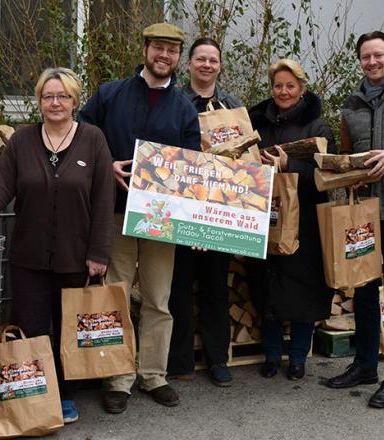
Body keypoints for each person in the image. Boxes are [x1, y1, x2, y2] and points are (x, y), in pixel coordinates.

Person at [0, 67, 115, 424]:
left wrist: (99, 253)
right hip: (28, 258)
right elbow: (3, 186)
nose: (55, 102)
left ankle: (64, 395)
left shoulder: (93, 139)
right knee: (31, 329)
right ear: (38, 101)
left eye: (63, 96)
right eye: (48, 96)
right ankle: (37, 395)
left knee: (68, 330)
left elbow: (102, 200)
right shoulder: (22, 140)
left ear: (74, 100)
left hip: (75, 256)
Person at [79, 22, 200, 413]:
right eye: (158, 48)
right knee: (115, 294)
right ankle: (117, 378)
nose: (164, 56)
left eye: (171, 50)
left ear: (178, 57)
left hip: (163, 219)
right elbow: (81, 137)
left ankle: (152, 374)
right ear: (145, 50)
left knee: (158, 299)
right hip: (115, 210)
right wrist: (105, 165)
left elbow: (192, 167)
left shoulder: (184, 107)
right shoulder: (110, 94)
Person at [248, 58, 335, 380]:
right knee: (267, 285)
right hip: (267, 217)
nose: (282, 91)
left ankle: (298, 357)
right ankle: (271, 355)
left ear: (301, 89)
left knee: (304, 290)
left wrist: (290, 167)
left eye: (290, 86)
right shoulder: (258, 125)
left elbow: (328, 177)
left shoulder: (318, 128)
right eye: (277, 85)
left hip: (306, 223)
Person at [167, 36, 243, 387]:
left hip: (220, 211)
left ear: (220, 65)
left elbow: (246, 162)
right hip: (182, 205)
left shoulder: (232, 106)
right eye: (201, 59)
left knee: (215, 288)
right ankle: (180, 361)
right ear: (189, 64)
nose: (207, 65)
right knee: (178, 287)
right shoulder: (175, 101)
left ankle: (218, 360)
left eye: (213, 60)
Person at [326, 30, 384, 408]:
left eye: (379, 55)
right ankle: (364, 365)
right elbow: (346, 154)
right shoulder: (351, 104)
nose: (373, 62)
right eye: (366, 56)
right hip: (364, 210)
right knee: (363, 290)